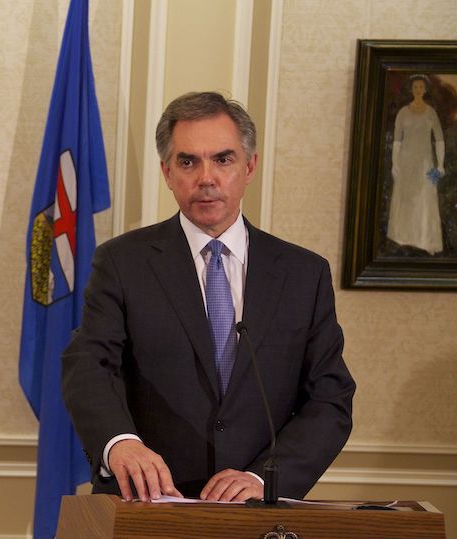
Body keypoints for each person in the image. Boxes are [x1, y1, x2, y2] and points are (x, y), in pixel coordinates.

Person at [62, 92, 355, 503]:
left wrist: (264, 478)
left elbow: (330, 399)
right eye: (187, 162)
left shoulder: (304, 273)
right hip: (147, 503)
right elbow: (88, 364)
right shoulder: (122, 261)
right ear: (166, 171)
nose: (206, 178)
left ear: (248, 166)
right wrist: (120, 443)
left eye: (223, 159)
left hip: (255, 509)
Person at [388, 74, 446, 254]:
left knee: (424, 199)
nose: (418, 90)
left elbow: (439, 140)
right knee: (405, 199)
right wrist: (394, 163)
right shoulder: (403, 113)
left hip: (425, 164)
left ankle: (424, 240)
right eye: (415, 87)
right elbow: (397, 140)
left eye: (421, 87)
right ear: (411, 90)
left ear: (425, 89)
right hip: (406, 162)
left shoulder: (430, 113)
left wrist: (440, 165)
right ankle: (403, 237)